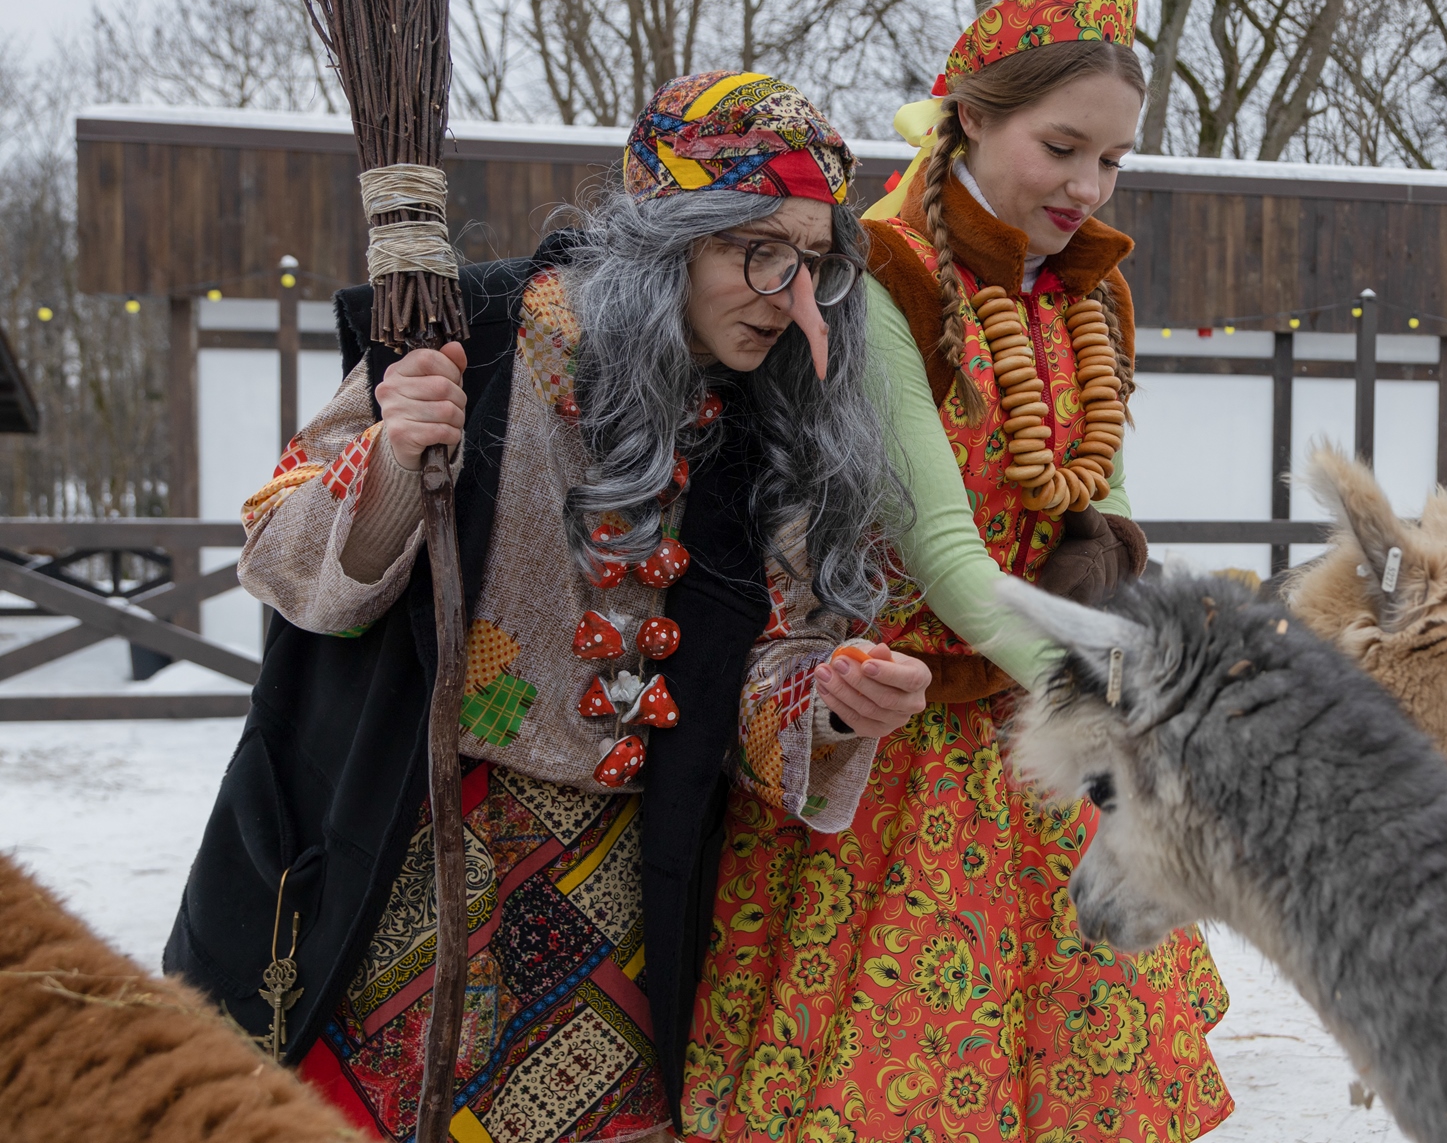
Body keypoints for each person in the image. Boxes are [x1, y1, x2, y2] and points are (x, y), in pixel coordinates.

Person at [164, 72, 933, 1143]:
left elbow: (757, 675)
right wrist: (390, 461)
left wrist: (832, 698)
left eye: (812, 261)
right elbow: (280, 553)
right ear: (664, 238)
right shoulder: (461, 333)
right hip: (396, 853)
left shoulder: (767, 427)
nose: (792, 294)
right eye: (756, 249)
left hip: (616, 891)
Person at [681, 0, 1234, 1142]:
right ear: (972, 118)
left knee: (1082, 1073)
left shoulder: (1085, 291)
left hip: (1041, 725)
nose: (1087, 187)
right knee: (903, 1085)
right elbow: (942, 548)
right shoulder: (885, 275)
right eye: (1062, 147)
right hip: (906, 732)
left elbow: (1101, 504)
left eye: (1114, 161)